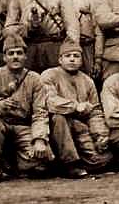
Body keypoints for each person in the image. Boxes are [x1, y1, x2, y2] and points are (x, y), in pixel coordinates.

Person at [0, 35, 52, 183]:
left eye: (19, 53)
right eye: (11, 53)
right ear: (4, 57)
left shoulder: (34, 78)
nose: (15, 57)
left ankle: (17, 163)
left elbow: (40, 112)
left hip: (23, 126)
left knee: (41, 165)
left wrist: (39, 139)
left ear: (25, 56)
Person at [40, 40, 112, 177]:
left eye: (76, 56)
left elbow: (95, 111)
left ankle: (71, 162)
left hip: (80, 126)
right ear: (60, 59)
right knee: (59, 118)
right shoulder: (49, 75)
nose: (72, 59)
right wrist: (75, 106)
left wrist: (100, 134)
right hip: (53, 126)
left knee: (102, 161)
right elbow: (49, 101)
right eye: (68, 56)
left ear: (81, 60)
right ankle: (71, 163)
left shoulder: (87, 81)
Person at [55, 0, 103, 79]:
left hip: (86, 47)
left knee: (89, 81)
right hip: (59, 47)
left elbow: (98, 30)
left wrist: (97, 58)